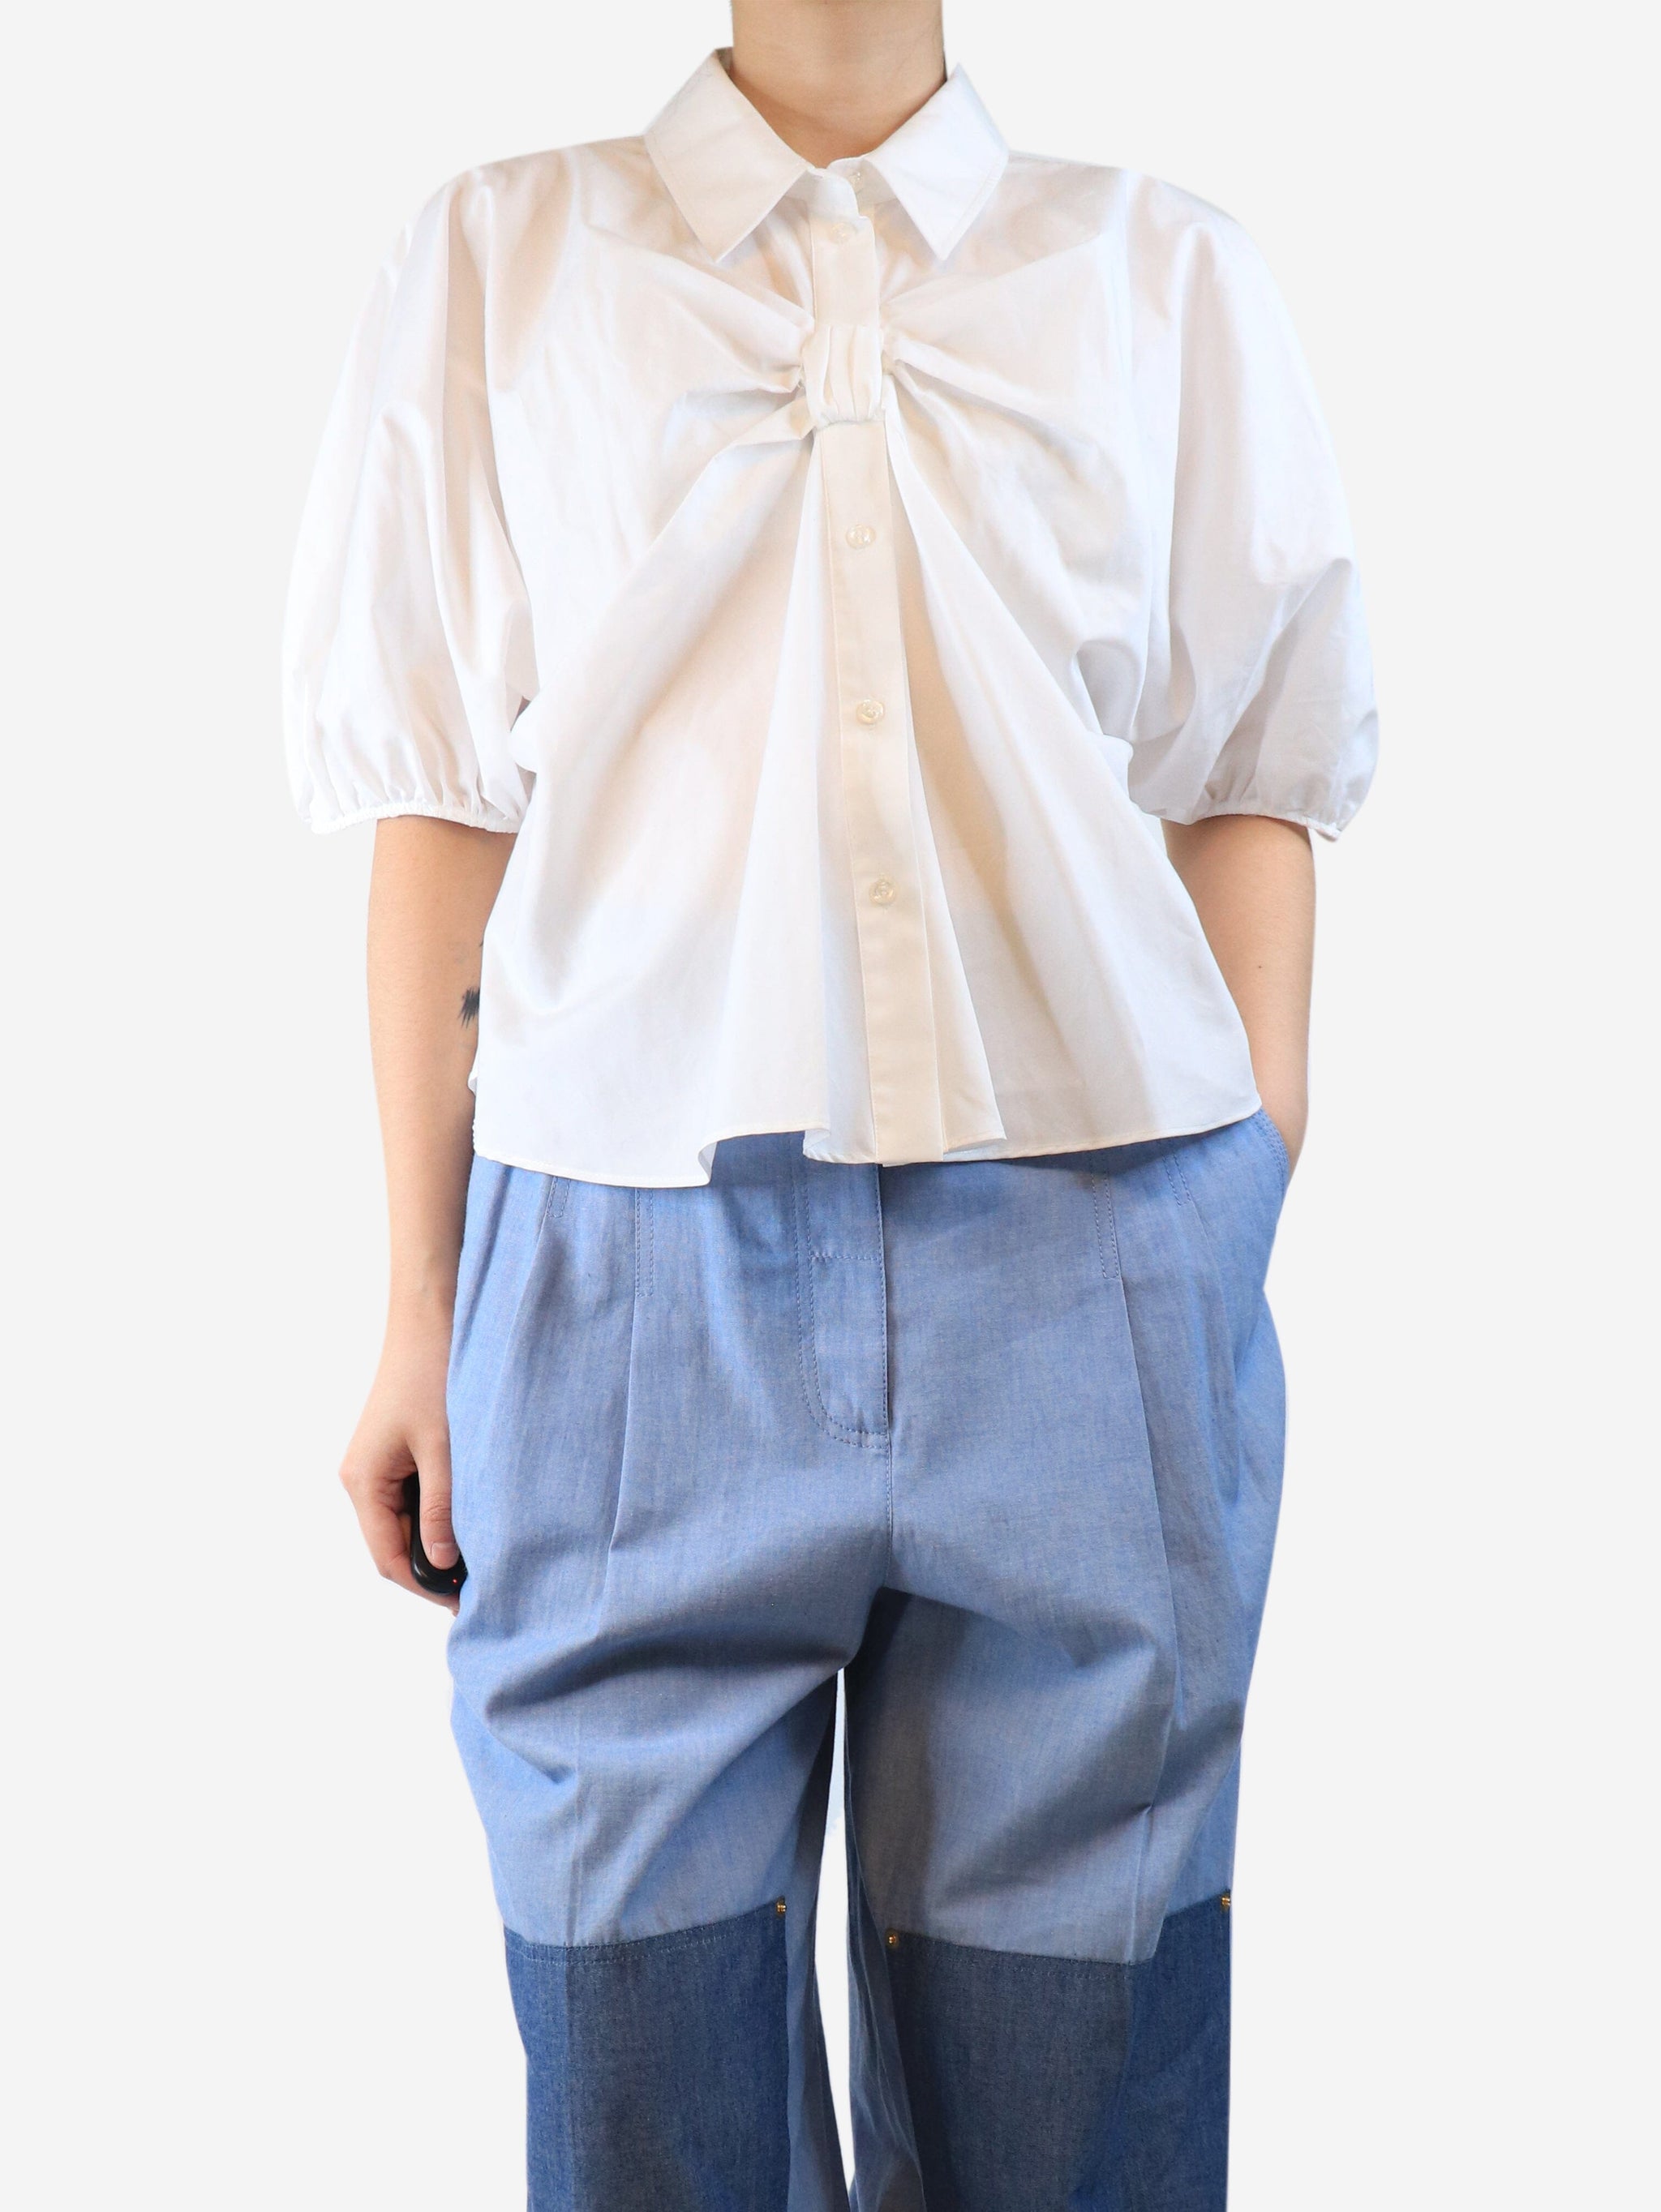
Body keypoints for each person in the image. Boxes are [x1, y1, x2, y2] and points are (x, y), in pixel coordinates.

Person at [282, 0, 1376, 2201]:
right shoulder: (502, 252)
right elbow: (442, 804)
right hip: (621, 1292)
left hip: (1095, 1268)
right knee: (642, 2098)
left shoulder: (1161, 267)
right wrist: (420, 1302)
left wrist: (1245, 1165)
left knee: (1075, 2104)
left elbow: (1256, 757)